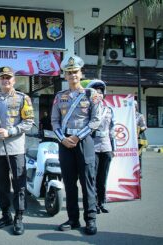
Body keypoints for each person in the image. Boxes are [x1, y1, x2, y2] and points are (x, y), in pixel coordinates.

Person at [51, 55, 102, 235]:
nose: (72, 75)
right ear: (64, 76)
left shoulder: (91, 94)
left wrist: (77, 137)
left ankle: (91, 220)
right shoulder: (59, 96)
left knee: (87, 182)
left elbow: (96, 120)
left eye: (75, 72)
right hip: (65, 143)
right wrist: (62, 139)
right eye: (69, 72)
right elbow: (55, 121)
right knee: (69, 183)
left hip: (84, 141)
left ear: (81, 73)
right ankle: (73, 219)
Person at [0, 66, 34, 235]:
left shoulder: (23, 98)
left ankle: (19, 218)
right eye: (2, 77)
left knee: (19, 184)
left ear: (14, 80)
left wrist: (10, 131)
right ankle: (6, 215)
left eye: (8, 77)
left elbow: (28, 122)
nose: (5, 80)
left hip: (16, 148)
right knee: (1, 184)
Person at [86, 80, 116, 214]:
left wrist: (113, 148)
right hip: (93, 145)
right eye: (95, 92)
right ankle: (93, 204)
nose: (98, 94)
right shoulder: (87, 109)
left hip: (106, 146)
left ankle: (101, 202)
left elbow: (112, 130)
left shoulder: (109, 110)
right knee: (93, 177)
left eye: (100, 92)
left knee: (103, 177)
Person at [134, 100, 148, 175]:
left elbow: (144, 126)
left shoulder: (139, 115)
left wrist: (139, 128)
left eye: (134, 106)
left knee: (138, 155)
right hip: (129, 139)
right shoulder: (127, 116)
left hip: (138, 138)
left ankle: (139, 171)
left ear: (136, 107)